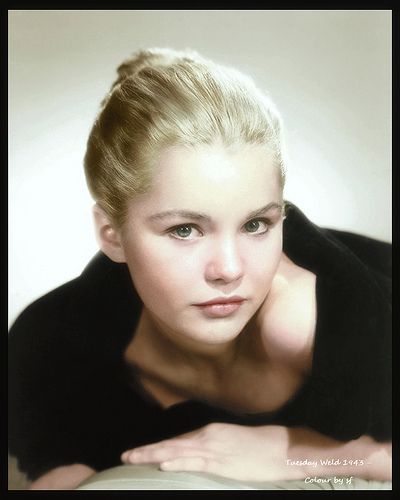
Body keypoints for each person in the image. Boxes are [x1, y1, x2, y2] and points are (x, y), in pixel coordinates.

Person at [8, 48, 391, 490]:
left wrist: (303, 456)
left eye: (255, 224)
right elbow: (51, 460)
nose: (229, 270)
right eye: (185, 230)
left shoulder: (320, 324)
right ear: (112, 234)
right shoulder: (45, 349)